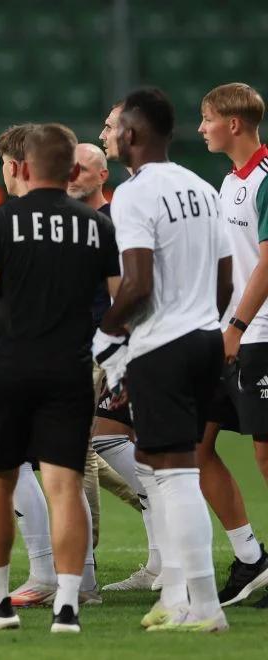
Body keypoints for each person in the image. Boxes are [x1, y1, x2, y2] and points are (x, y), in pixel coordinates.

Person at [0, 124, 119, 633]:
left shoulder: (0, 221)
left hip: (8, 366)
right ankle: (69, 607)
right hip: (71, 369)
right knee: (65, 485)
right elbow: (124, 302)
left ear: (25, 167)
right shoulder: (96, 226)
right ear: (73, 170)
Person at [99, 87, 232, 632]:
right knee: (160, 468)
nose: (105, 135)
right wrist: (203, 319)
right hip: (205, 338)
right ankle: (178, 596)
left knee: (174, 475)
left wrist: (106, 338)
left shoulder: (135, 194)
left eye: (110, 127)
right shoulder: (201, 187)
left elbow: (137, 283)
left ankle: (204, 606)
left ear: (132, 134)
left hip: (164, 344)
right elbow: (226, 279)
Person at [70, 141, 162, 594]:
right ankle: (153, 503)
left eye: (82, 170)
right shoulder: (76, 222)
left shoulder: (112, 221)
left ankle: (82, 571)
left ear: (101, 175)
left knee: (80, 451)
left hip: (102, 348)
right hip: (82, 347)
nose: (73, 177)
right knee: (99, 442)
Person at [197, 81, 268, 607]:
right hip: (228, 335)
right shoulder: (229, 182)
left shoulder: (265, 179)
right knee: (195, 445)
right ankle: (250, 557)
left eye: (207, 119)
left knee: (267, 455)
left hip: (259, 334)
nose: (201, 129)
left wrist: (238, 326)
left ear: (233, 124)